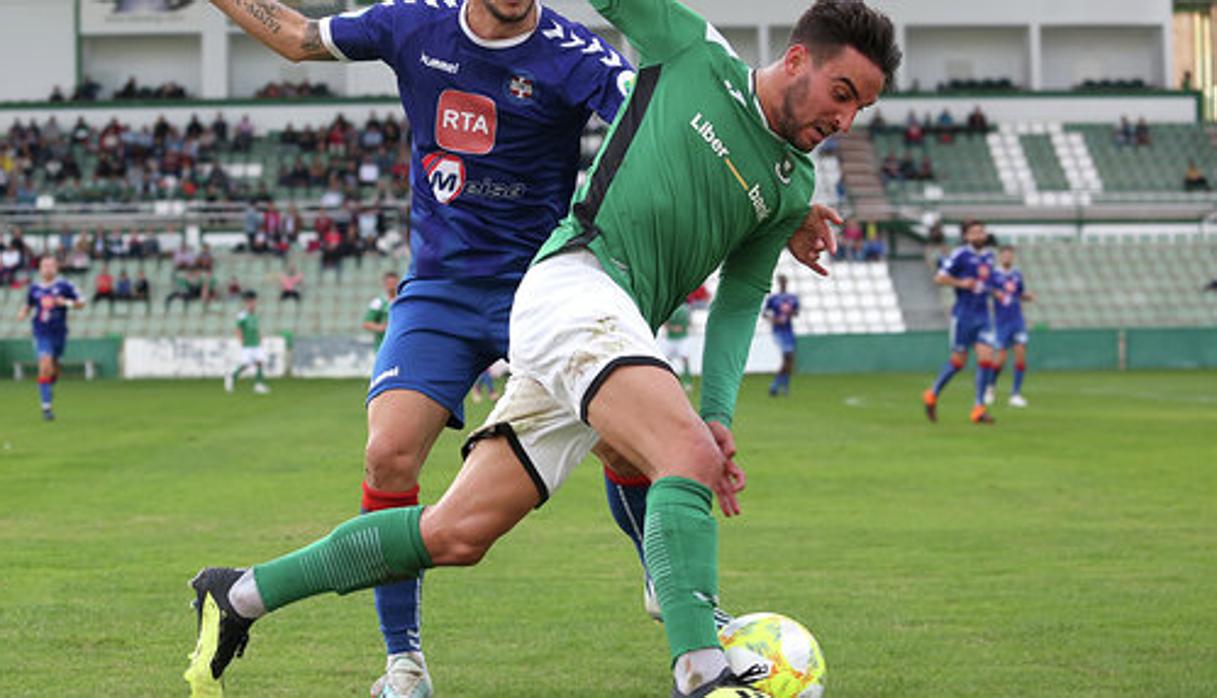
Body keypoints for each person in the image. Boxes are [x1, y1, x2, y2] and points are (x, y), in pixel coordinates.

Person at [184, 2, 897, 698]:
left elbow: (740, 298)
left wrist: (718, 413)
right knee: (681, 457)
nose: (844, 120)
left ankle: (239, 594)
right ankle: (700, 667)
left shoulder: (792, 184)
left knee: (457, 532)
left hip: (602, 323)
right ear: (797, 58)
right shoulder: (693, 50)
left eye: (859, 107)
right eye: (841, 94)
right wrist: (699, 436)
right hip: (574, 285)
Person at [187, 0, 641, 696]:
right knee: (387, 452)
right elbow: (302, 39)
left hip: (543, 288)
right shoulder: (412, 24)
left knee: (627, 441)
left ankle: (667, 584)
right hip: (440, 288)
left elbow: (660, 127)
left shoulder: (574, 53)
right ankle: (404, 663)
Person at [922, 219, 998, 424]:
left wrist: (995, 291)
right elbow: (939, 278)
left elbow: (988, 282)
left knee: (986, 359)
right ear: (966, 236)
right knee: (958, 362)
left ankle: (978, 408)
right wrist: (961, 283)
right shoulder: (960, 255)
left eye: (981, 231)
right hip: (963, 316)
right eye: (974, 232)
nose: (979, 235)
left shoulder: (990, 257)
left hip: (983, 315)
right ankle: (932, 394)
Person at [18, 257, 85, 421]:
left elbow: (82, 303)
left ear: (56, 268)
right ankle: (46, 408)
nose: (47, 269)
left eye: (50, 266)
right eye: (44, 266)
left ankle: (48, 385)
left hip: (59, 333)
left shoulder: (65, 285)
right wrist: (23, 312)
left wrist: (65, 303)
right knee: (45, 364)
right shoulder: (34, 288)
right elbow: (29, 304)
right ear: (40, 269)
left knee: (54, 370)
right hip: (41, 331)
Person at [985, 245, 1034, 408]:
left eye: (1010, 255)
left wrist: (1026, 297)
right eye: (1004, 255)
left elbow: (1018, 293)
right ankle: (990, 387)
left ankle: (1015, 394)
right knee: (1001, 360)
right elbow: (986, 289)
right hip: (1001, 321)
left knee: (1020, 355)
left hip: (1017, 320)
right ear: (1000, 257)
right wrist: (994, 293)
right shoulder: (994, 274)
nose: (1007, 257)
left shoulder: (1017, 274)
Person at [224, 291, 270, 395]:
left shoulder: (255, 315)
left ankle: (258, 385)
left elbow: (256, 328)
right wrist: (241, 339)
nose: (253, 304)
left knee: (260, 362)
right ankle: (232, 376)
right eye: (251, 302)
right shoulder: (242, 315)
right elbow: (238, 328)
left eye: (254, 301)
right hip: (247, 344)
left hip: (256, 343)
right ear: (247, 302)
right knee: (246, 364)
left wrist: (260, 336)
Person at [764, 275, 800, 396]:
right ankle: (775, 385)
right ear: (779, 283)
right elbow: (765, 313)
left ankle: (784, 385)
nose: (783, 284)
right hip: (778, 331)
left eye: (784, 282)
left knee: (790, 360)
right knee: (787, 357)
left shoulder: (792, 298)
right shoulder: (773, 298)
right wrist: (774, 319)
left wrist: (790, 313)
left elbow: (796, 313)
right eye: (781, 282)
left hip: (788, 330)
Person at [661, 301, 694, 391]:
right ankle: (665, 381)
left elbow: (690, 323)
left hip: (683, 338)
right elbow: (664, 322)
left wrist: (682, 328)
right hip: (669, 339)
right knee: (665, 361)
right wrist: (671, 328)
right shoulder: (668, 307)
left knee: (685, 358)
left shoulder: (686, 309)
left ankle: (687, 381)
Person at [362, 271, 399, 350]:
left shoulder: (402, 301)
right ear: (384, 284)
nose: (391, 286)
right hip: (382, 347)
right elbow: (366, 323)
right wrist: (381, 327)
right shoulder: (378, 302)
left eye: (394, 283)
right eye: (389, 283)